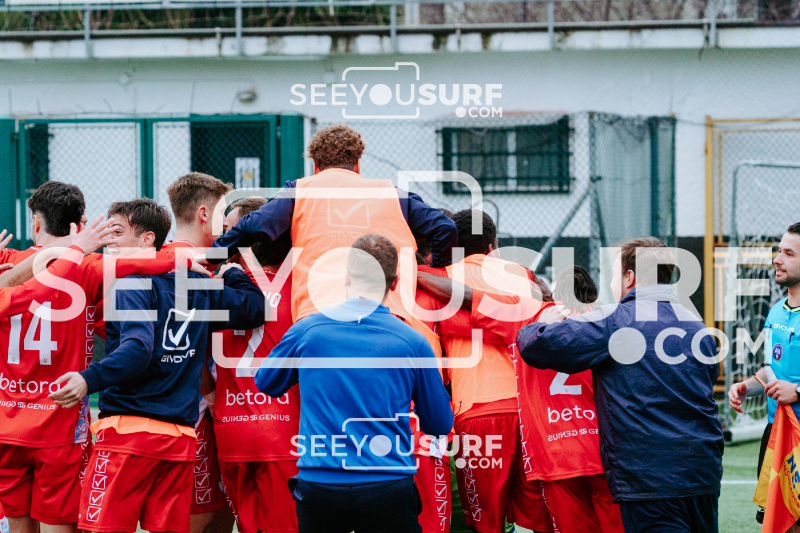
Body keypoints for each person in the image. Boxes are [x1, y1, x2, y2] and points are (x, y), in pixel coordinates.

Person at [0, 185, 195, 533]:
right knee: (61, 524)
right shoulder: (89, 266)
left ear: (35, 223)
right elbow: (156, 259)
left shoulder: (9, 261)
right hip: (58, 423)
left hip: (7, 420)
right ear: (81, 225)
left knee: (17, 525)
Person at [48, 250, 266, 533]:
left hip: (127, 434)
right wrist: (233, 272)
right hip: (180, 437)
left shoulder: (130, 284)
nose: (111, 246)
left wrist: (88, 379)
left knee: (100, 529)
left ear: (148, 239)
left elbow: (138, 349)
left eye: (117, 233)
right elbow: (255, 307)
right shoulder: (199, 287)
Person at [516, 237, 724, 533]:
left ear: (630, 277)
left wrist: (540, 323)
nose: (612, 283)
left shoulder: (615, 321)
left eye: (614, 275)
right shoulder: (696, 325)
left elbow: (537, 345)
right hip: (703, 472)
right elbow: (708, 379)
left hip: (649, 479)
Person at [255, 234, 453, 533]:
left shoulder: (307, 331)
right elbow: (439, 424)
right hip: (388, 485)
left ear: (346, 277)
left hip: (320, 486)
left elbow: (267, 382)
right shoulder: (414, 341)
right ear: (394, 283)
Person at [417, 266, 625, 533]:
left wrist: (412, 272)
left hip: (555, 457)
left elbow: (464, 300)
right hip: (605, 452)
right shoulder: (608, 321)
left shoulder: (527, 313)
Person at [201, 124, 458, 324]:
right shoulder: (392, 194)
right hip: (387, 313)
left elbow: (253, 226)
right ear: (357, 164)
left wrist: (214, 257)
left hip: (319, 312)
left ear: (315, 167)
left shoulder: (300, 191)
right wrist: (435, 273)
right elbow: (445, 228)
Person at [420, 209, 555, 533]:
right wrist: (509, 324)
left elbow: (441, 330)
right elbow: (539, 320)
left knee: (486, 524)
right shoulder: (522, 276)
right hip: (528, 411)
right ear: (492, 246)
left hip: (476, 412)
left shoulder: (438, 280)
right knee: (541, 520)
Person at [202, 197, 300, 533]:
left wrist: (211, 394)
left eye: (231, 231)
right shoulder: (302, 290)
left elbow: (193, 352)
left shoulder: (217, 287)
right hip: (284, 433)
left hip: (231, 429)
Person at [164, 172, 236, 533]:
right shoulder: (201, 269)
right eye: (222, 213)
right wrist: (210, 392)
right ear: (204, 214)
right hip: (194, 415)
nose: (226, 225)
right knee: (202, 517)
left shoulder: (154, 259)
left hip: (167, 411)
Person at [728, 221, 800, 527]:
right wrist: (747, 387)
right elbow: (771, 371)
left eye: (789, 254)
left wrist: (798, 392)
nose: (777, 260)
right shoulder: (775, 311)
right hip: (776, 433)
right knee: (778, 523)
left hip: (797, 432)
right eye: (779, 251)